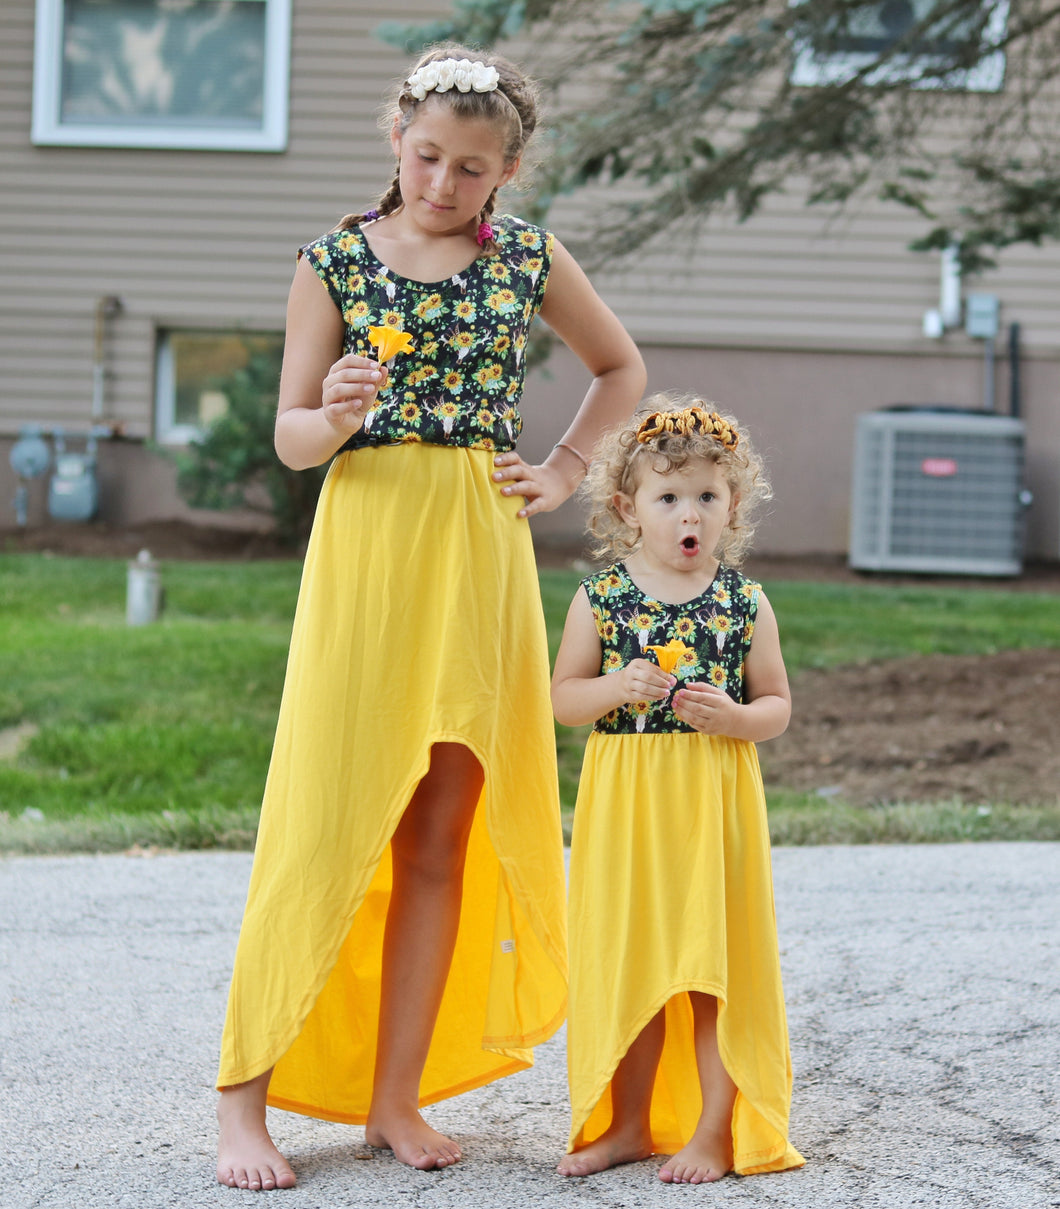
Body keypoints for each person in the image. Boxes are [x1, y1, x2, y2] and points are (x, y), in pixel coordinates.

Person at [214, 45, 645, 1191]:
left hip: (478, 554)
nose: (443, 184)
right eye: (426, 158)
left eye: (470, 167)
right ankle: (242, 1098)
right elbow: (291, 440)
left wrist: (558, 475)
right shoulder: (336, 263)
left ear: (506, 169)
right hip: (367, 549)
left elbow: (618, 369)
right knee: (322, 817)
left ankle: (392, 1098)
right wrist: (337, 411)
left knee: (441, 839)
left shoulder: (527, 262)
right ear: (394, 139)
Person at [551, 398, 805, 1183]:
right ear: (628, 509)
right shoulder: (601, 599)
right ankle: (627, 1123)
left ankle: (713, 1130)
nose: (688, 513)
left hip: (709, 808)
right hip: (627, 811)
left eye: (707, 496)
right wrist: (617, 687)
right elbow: (562, 699)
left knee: (706, 972)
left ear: (732, 505)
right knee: (632, 965)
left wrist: (733, 716)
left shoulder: (743, 604)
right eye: (668, 497)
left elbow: (777, 708)